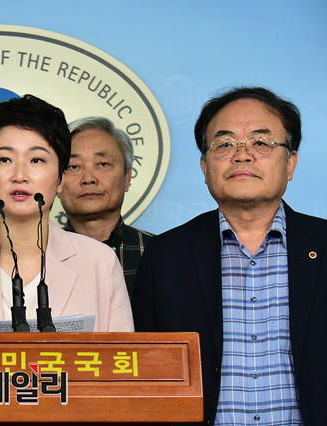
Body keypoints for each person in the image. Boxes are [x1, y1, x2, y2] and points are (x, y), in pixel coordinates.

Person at [132, 87, 326, 425]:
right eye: (224, 144)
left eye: (261, 143)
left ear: (290, 163)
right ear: (204, 166)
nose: (242, 155)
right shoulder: (165, 256)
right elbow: (145, 374)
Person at [0, 95, 134, 332]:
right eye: (4, 159)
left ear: (61, 179)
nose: (20, 175)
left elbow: (121, 355)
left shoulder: (100, 262)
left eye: (36, 160)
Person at [58, 116, 153, 297]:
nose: (88, 179)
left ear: (127, 178)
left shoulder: (160, 253)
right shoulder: (37, 258)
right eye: (74, 167)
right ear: (58, 181)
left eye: (103, 164)